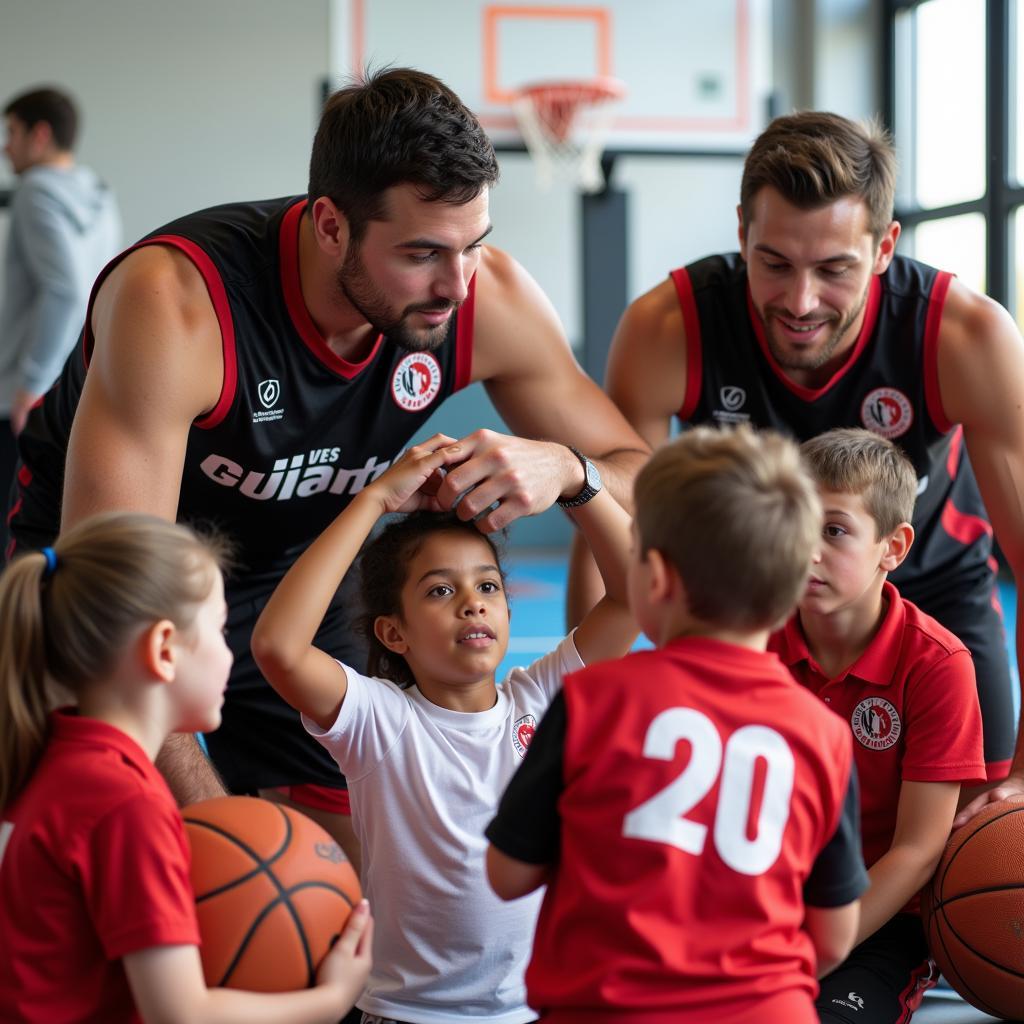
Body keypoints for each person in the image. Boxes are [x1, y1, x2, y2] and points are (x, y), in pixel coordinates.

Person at [4, 68, 648, 853]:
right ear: (331, 226)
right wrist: (223, 837)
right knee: (128, 854)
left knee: (348, 875)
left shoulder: (487, 298)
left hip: (291, 577)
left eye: (472, 246)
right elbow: (115, 597)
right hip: (102, 578)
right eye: (421, 253)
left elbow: (640, 472)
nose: (455, 284)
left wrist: (565, 467)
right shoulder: (178, 301)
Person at [590, 110, 1024, 814]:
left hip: (933, 595)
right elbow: (612, 526)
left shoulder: (964, 334)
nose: (800, 301)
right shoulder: (669, 327)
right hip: (751, 606)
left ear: (884, 247)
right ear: (742, 233)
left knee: (985, 839)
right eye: (775, 264)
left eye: (834, 270)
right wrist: (578, 714)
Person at [485, 424, 867, 1024]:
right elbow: (834, 937)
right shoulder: (824, 734)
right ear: (794, 586)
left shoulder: (594, 701)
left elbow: (508, 875)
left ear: (655, 578)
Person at [250, 431, 636, 1024]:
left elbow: (633, 596)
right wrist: (374, 500)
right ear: (393, 633)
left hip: (529, 1013)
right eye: (439, 590)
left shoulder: (542, 701)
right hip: (407, 1014)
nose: (472, 603)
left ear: (507, 609)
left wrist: (576, 481)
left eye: (487, 586)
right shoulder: (379, 721)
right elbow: (278, 646)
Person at [0, 511, 373, 1024]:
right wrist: (331, 1000)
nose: (229, 653)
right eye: (220, 632)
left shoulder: (52, 756)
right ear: (163, 650)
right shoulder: (125, 804)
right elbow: (180, 1015)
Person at [766, 428, 985, 1024]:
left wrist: (816, 948)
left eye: (834, 530)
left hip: (881, 919)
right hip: (763, 901)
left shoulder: (936, 665)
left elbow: (917, 850)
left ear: (893, 547)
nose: (808, 550)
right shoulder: (753, 640)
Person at [0, 86, 120, 523]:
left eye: (11, 131)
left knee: (15, 527)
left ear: (40, 134)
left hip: (26, 394)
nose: (5, 145)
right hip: (78, 382)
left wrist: (30, 382)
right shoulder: (98, 191)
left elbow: (67, 290)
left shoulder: (34, 191)